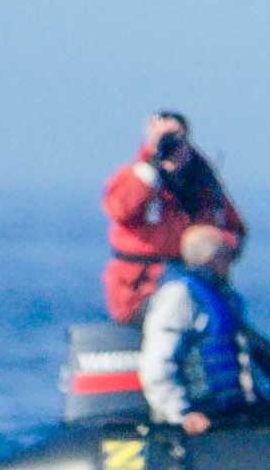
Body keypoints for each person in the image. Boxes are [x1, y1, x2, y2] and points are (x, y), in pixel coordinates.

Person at [102, 112, 247, 325]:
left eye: (176, 138)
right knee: (175, 303)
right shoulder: (133, 178)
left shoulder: (204, 185)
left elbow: (235, 229)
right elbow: (121, 207)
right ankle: (160, 359)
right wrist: (152, 164)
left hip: (200, 283)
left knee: (226, 312)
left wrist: (213, 246)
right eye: (163, 137)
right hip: (142, 291)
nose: (171, 146)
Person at [138, 225, 270, 435]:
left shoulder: (223, 297)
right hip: (195, 419)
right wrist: (181, 413)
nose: (232, 263)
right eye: (227, 256)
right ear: (211, 258)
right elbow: (157, 363)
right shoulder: (179, 296)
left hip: (226, 414)